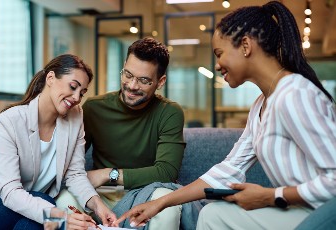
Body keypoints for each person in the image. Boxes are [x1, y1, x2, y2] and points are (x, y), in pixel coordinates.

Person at [115, 1, 336, 229]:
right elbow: (228, 170)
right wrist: (160, 203)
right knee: (214, 213)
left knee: (215, 216)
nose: (218, 65)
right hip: (300, 210)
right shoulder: (261, 104)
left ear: (246, 46)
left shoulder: (295, 94)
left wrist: (271, 196)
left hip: (325, 214)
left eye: (219, 54)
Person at [0, 54, 116, 230]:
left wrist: (98, 206)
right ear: (51, 78)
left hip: (33, 208)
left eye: (82, 93)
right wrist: (62, 218)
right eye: (73, 87)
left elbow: (75, 175)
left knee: (38, 220)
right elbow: (10, 193)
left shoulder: (76, 116)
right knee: (47, 205)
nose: (76, 97)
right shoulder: (9, 121)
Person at [55, 37, 199, 229]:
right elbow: (67, 162)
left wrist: (109, 174)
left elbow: (166, 172)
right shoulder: (94, 108)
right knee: (64, 199)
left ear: (160, 81)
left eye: (144, 80)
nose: (132, 86)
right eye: (128, 75)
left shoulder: (169, 112)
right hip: (101, 194)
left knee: (167, 204)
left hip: (146, 193)